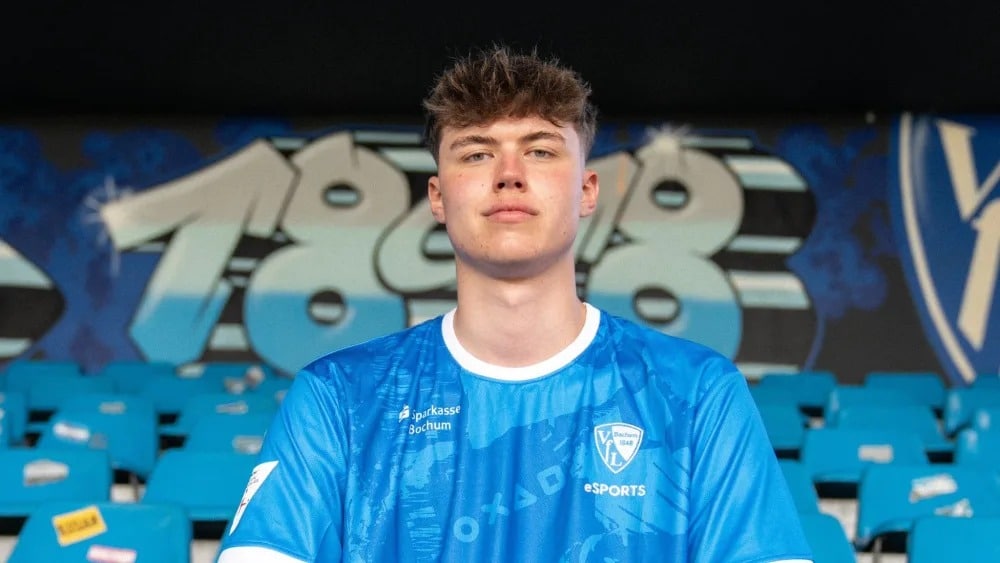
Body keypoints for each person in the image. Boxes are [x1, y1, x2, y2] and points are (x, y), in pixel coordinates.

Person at [217, 45, 813, 563]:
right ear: (437, 197)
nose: (508, 174)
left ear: (587, 190)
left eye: (541, 151)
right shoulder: (339, 399)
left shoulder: (698, 393)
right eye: (476, 153)